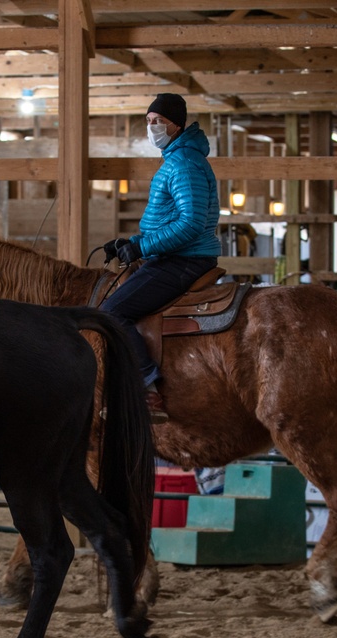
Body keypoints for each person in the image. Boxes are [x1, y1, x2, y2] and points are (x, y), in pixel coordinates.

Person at [99, 93, 221, 424]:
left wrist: (142, 248)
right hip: (172, 254)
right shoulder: (177, 158)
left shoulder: (184, 164)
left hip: (182, 259)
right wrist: (133, 242)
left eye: (159, 121)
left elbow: (191, 223)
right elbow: (171, 221)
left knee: (111, 313)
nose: (152, 127)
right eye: (149, 121)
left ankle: (145, 386)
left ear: (177, 124)